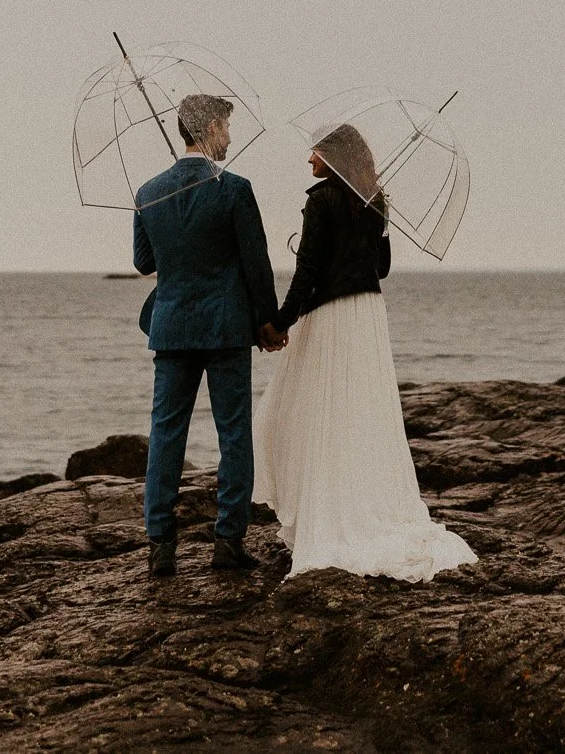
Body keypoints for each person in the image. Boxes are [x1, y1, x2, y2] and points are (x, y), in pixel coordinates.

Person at [252, 124, 475, 581]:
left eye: (315, 151)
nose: (309, 159)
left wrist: (280, 321)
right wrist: (377, 223)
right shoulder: (374, 201)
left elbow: (308, 270)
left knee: (301, 412)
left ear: (334, 155)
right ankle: (361, 504)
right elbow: (383, 268)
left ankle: (327, 512)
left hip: (333, 314)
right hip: (367, 314)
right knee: (358, 412)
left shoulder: (321, 201)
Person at [132, 92, 284, 579]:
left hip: (172, 327)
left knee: (165, 433)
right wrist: (269, 321)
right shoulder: (235, 189)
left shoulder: (149, 191)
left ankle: (160, 547)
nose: (230, 137)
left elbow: (144, 263)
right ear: (213, 127)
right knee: (233, 432)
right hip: (225, 327)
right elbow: (257, 264)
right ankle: (227, 543)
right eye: (227, 127)